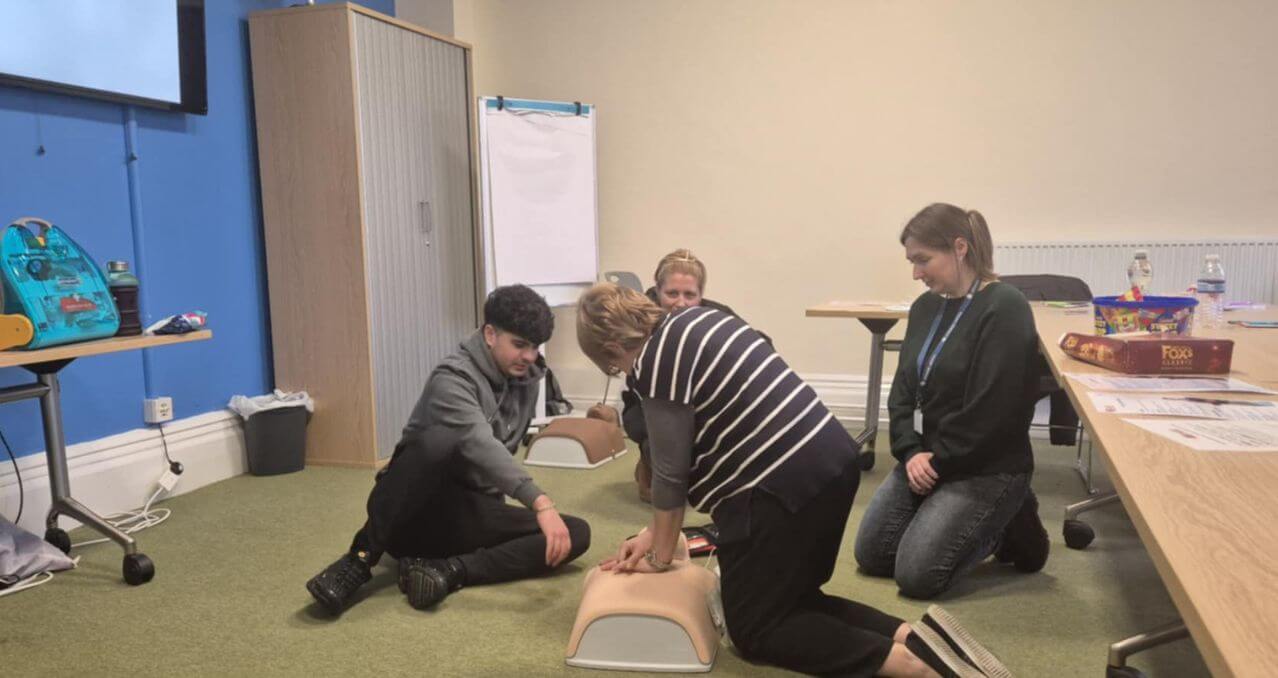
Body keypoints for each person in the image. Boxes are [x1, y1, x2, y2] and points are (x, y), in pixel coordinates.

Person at [576, 282, 1012, 678]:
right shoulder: (702, 317)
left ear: (615, 346)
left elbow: (670, 471)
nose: (624, 374)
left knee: (755, 631)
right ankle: (925, 638)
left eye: (615, 367)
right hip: (831, 465)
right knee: (794, 602)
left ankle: (909, 667)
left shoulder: (655, 359)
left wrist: (658, 554)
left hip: (777, 488)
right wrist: (655, 533)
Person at [306, 285, 591, 615]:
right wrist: (540, 502)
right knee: (436, 441)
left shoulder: (528, 378)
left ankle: (448, 571)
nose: (529, 356)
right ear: (489, 334)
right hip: (410, 515)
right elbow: (479, 443)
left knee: (574, 533)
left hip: (467, 516)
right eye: (519, 344)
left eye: (535, 347)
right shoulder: (452, 378)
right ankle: (359, 559)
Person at [854, 203, 1050, 600]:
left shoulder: (1004, 306)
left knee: (917, 577)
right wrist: (910, 451)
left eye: (923, 260)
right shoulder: (924, 308)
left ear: (960, 248)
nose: (915, 273)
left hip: (987, 466)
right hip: (928, 459)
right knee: (873, 556)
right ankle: (979, 518)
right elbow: (904, 389)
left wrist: (938, 461)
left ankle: (1009, 526)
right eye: (911, 261)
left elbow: (993, 411)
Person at [604, 249, 768, 503]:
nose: (680, 303)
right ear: (657, 292)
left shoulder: (716, 314)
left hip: (701, 403)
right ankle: (648, 462)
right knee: (661, 436)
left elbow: (761, 345)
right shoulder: (640, 321)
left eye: (690, 295)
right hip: (648, 404)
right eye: (672, 294)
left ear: (701, 296)